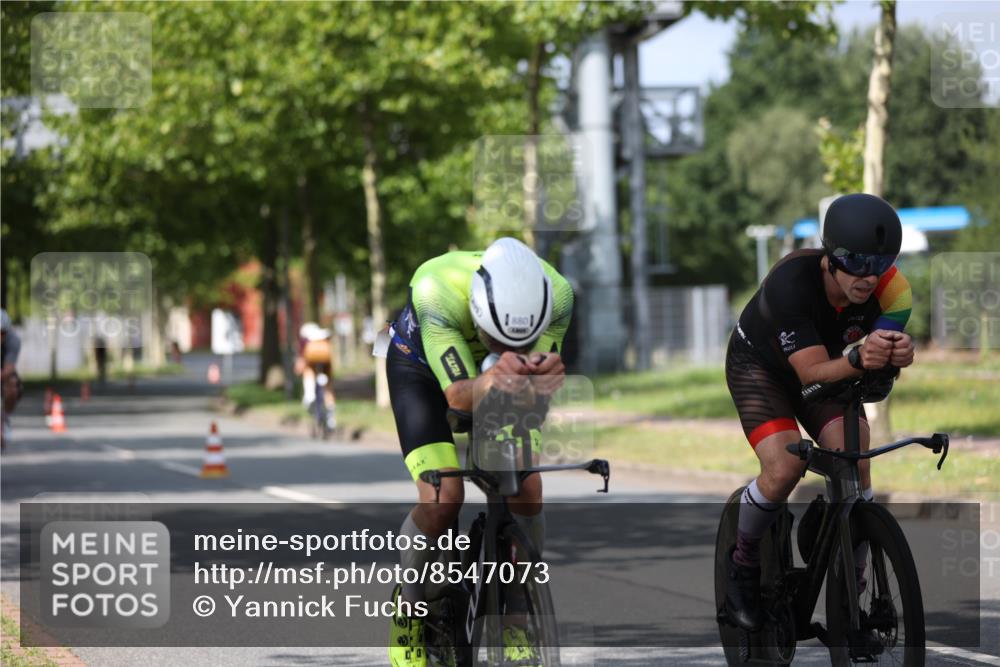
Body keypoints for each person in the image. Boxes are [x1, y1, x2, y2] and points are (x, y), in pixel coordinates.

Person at [723, 193, 914, 630]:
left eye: (881, 264)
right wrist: (859, 359)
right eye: (857, 263)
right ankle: (743, 562)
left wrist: (899, 351)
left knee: (855, 456)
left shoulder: (894, 292)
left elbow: (875, 361)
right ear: (831, 257)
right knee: (785, 465)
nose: (869, 276)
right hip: (762, 369)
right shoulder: (791, 283)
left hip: (828, 364)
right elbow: (812, 372)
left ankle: (852, 584)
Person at [386, 237, 573, 667]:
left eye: (519, 342)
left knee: (525, 487)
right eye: (496, 338)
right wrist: (493, 381)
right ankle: (410, 608)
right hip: (422, 373)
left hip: (495, 380)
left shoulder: (558, 294)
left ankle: (517, 614)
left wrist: (539, 379)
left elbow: (534, 392)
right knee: (443, 497)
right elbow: (459, 398)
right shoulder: (436, 291)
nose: (508, 347)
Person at [295, 323, 336, 431]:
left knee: (309, 375)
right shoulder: (325, 338)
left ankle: (309, 397)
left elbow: (301, 361)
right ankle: (331, 418)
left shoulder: (305, 341)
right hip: (326, 365)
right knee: (328, 389)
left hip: (312, 366)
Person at [1, 310, 24, 448]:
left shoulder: (13, 340)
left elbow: (9, 369)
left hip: (4, 371)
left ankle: (5, 416)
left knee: (13, 386)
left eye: (2, 333)